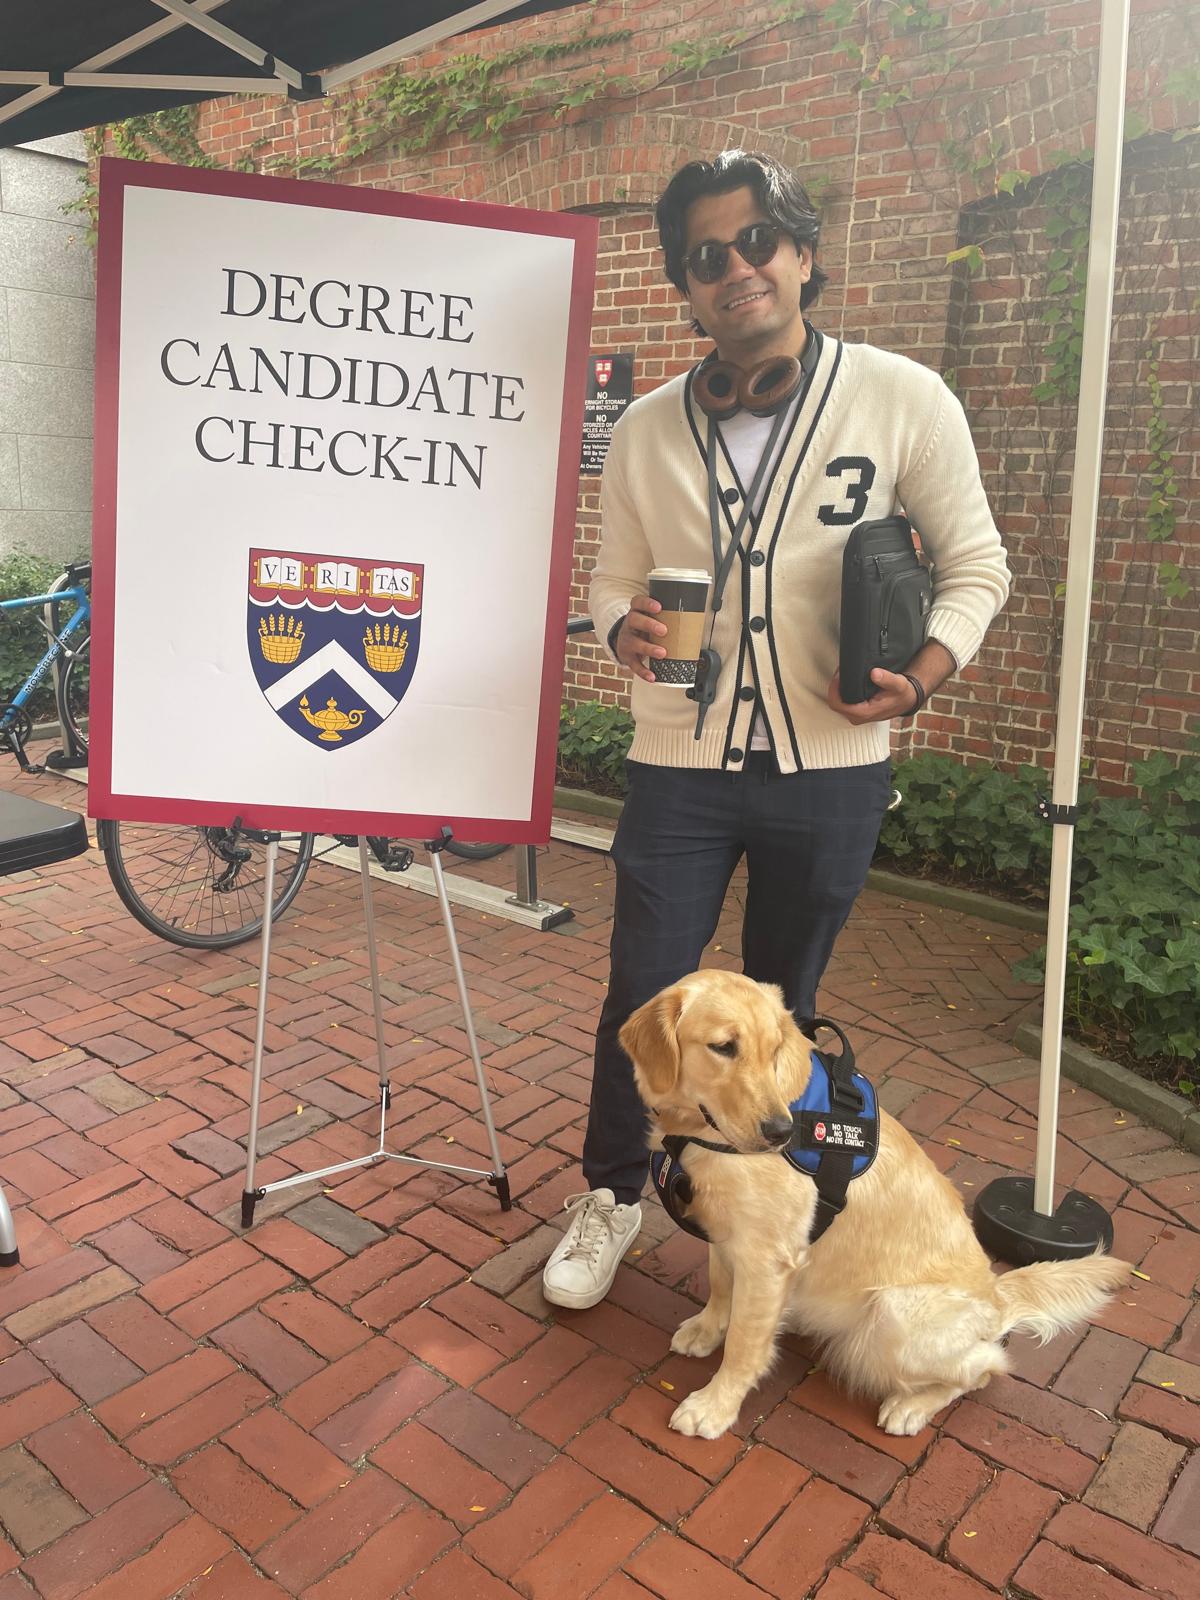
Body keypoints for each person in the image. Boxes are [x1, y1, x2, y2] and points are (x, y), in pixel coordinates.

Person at [542, 149, 1010, 1309]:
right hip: (679, 767)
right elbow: (606, 580)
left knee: (781, 1009)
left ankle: (759, 1209)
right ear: (686, 284)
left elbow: (978, 565)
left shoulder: (904, 397)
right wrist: (624, 628)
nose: (737, 268)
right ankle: (609, 1192)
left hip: (832, 769)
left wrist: (929, 672)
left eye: (759, 242)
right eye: (709, 256)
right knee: (645, 996)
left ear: (803, 255)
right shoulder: (649, 426)